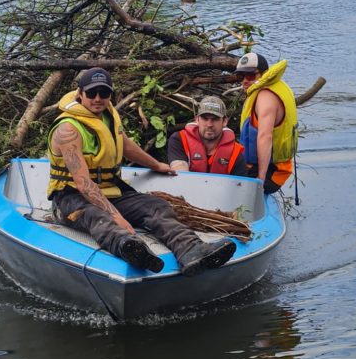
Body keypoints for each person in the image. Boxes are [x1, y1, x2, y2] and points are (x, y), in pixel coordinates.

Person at [47, 67, 236, 276]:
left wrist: (156, 165)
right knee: (97, 216)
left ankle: (191, 250)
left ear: (110, 94)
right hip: (70, 197)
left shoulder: (108, 116)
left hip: (110, 191)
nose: (98, 99)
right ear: (80, 94)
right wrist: (117, 216)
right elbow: (83, 184)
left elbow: (125, 144)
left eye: (104, 93)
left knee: (156, 207)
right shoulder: (68, 129)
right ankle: (129, 247)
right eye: (91, 93)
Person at [236, 53, 298, 194]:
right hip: (270, 167)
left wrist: (260, 180)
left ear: (263, 74)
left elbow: (265, 136)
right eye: (240, 76)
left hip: (272, 174)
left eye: (250, 76)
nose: (245, 81)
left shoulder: (266, 97)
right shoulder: (278, 87)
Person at [167, 96, 246, 175]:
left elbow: (239, 185)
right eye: (205, 118)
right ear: (197, 119)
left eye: (215, 119)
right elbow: (179, 171)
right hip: (186, 186)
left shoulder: (235, 152)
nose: (209, 124)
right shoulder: (179, 139)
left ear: (225, 121)